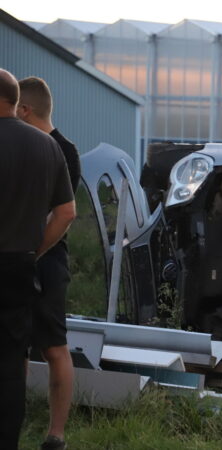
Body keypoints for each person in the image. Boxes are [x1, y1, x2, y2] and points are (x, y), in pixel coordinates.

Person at [0, 68, 75, 450]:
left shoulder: (54, 147)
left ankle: (50, 433)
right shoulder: (49, 148)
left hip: (27, 259)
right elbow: (67, 211)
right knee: (14, 358)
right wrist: (33, 250)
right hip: (22, 263)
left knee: (40, 349)